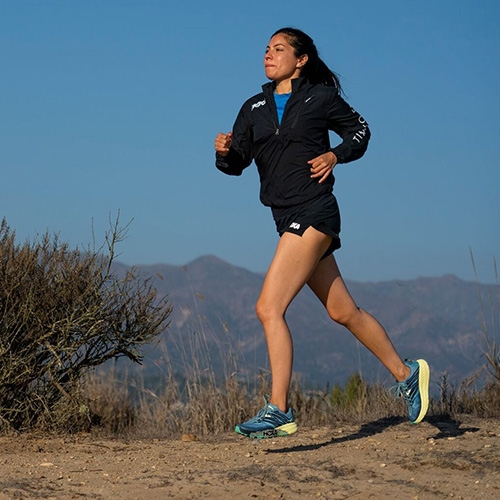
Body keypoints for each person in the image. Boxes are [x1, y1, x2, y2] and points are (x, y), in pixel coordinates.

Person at [214, 27, 430, 439]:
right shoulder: (254, 106)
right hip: (285, 217)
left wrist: (335, 154)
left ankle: (278, 409)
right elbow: (238, 162)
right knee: (342, 312)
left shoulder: (320, 98)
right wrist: (223, 152)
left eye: (279, 49)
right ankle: (407, 374)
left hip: (314, 212)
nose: (268, 54)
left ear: (301, 60)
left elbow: (360, 132)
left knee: (268, 307)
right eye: (266, 49)